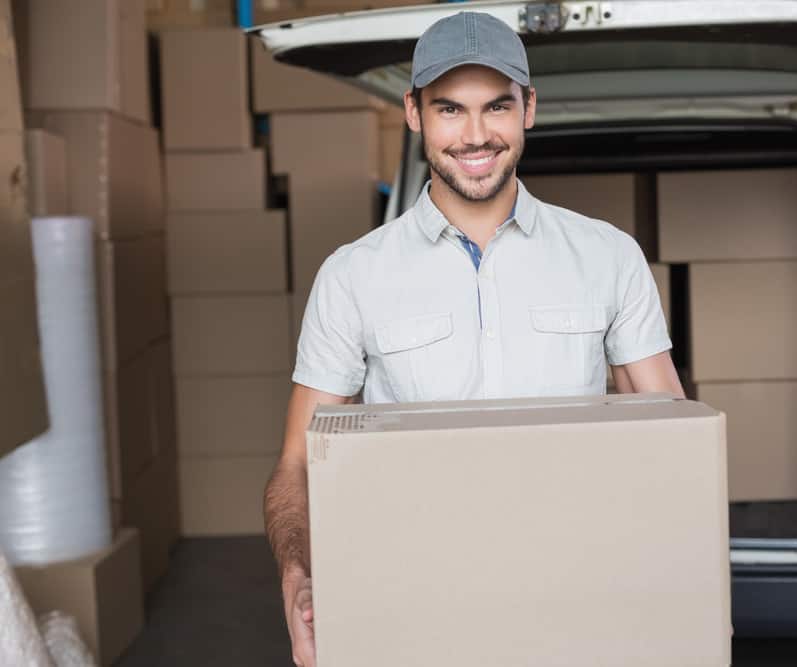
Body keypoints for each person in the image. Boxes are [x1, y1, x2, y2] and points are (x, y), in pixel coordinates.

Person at [264, 11, 685, 667]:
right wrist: (296, 572)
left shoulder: (608, 257)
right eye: (450, 109)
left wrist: (679, 595)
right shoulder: (353, 276)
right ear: (413, 112)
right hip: (411, 607)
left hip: (575, 603)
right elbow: (298, 462)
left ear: (529, 109)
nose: (476, 134)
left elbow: (672, 444)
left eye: (497, 107)